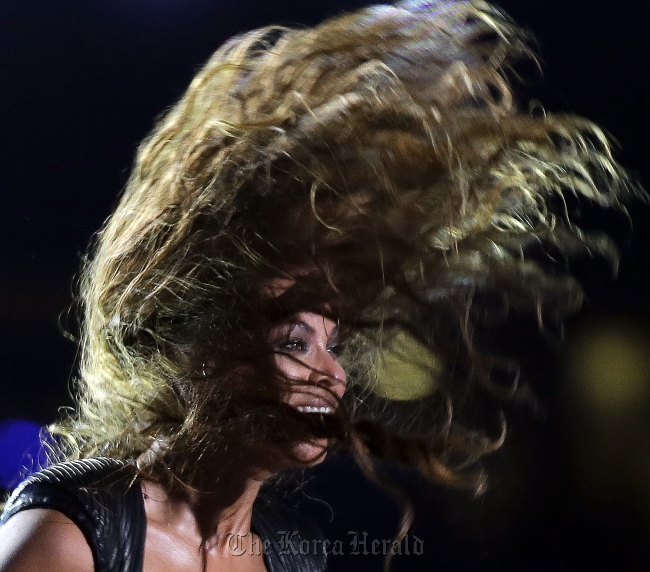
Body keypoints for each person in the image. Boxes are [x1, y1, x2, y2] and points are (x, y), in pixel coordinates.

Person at [0, 1, 633, 571]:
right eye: (296, 340)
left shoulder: (290, 558)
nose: (331, 373)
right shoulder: (69, 537)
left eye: (334, 343)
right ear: (206, 352)